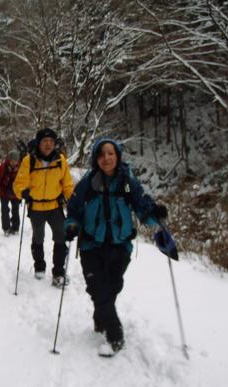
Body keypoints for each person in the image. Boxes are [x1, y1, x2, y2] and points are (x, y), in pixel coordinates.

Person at [63, 139, 168, 355]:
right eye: (101, 155)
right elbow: (73, 208)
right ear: (96, 159)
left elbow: (142, 205)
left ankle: (100, 315)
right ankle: (115, 334)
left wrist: (154, 216)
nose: (106, 158)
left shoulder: (127, 182)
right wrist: (72, 225)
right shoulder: (88, 182)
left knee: (112, 286)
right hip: (91, 245)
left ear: (117, 155)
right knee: (97, 288)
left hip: (120, 246)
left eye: (110, 153)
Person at [13, 128, 74, 286]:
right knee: (38, 237)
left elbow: (67, 184)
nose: (48, 144)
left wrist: (73, 202)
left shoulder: (60, 160)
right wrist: (23, 192)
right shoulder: (29, 160)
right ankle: (39, 265)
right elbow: (19, 184)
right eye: (45, 141)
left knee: (61, 236)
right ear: (39, 143)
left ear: (55, 144)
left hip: (55, 206)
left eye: (51, 142)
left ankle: (58, 272)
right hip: (37, 207)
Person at [0, 150, 22, 236]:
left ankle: (15, 228)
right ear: (9, 160)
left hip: (15, 192)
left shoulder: (21, 167)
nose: (13, 162)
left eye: (15, 160)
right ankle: (6, 228)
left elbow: (23, 179)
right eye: (12, 160)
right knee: (5, 210)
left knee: (15, 210)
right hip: (4, 192)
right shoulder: (3, 166)